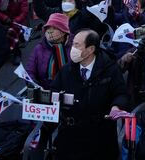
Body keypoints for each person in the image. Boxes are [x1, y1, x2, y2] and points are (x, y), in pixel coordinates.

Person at [51, 29, 129, 160]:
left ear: (91, 49)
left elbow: (121, 94)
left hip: (99, 137)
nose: (72, 48)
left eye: (77, 45)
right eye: (72, 44)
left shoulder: (109, 70)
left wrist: (116, 107)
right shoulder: (67, 70)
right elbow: (53, 92)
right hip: (70, 136)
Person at [25, 13, 72, 89]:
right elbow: (29, 70)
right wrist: (33, 83)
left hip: (69, 90)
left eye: (54, 28)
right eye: (48, 28)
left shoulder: (74, 47)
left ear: (63, 32)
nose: (50, 31)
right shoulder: (39, 48)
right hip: (45, 91)